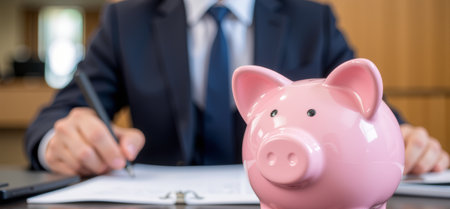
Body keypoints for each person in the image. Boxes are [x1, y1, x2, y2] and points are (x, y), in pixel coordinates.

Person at [25, 0, 449, 177]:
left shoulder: (310, 21)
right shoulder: (125, 21)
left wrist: (402, 142)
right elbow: (53, 119)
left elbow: (374, 113)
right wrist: (58, 142)